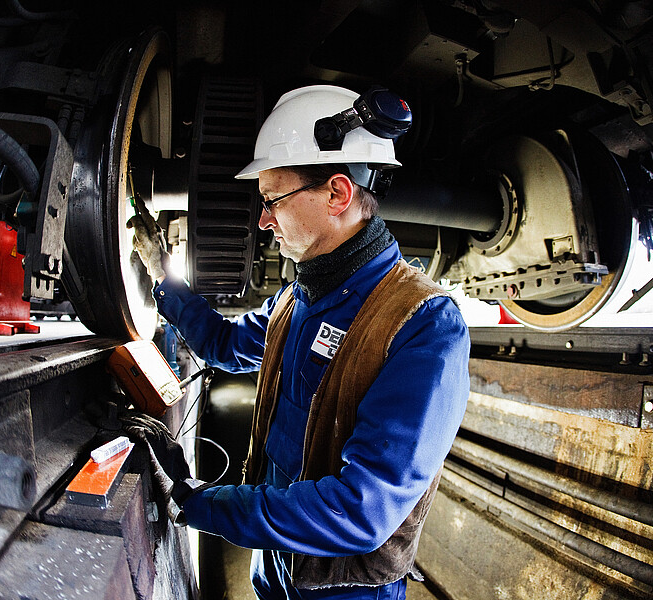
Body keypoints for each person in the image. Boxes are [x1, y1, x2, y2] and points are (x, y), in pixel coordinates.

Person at [131, 85, 470, 600]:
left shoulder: (422, 323)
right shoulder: (299, 298)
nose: (264, 220)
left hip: (344, 588)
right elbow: (223, 343)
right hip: (276, 562)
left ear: (337, 194)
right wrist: (164, 277)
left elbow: (362, 509)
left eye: (272, 200)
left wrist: (206, 503)